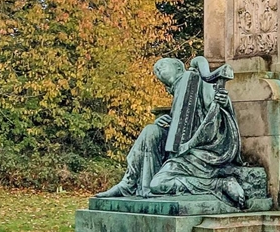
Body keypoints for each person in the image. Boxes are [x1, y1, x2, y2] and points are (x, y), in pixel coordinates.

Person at [96, 57, 249, 207]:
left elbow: (212, 108)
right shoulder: (179, 90)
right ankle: (128, 183)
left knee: (159, 185)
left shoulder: (196, 79)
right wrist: (164, 122)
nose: (158, 70)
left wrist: (223, 101)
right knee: (151, 130)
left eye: (162, 65)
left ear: (178, 68)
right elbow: (182, 126)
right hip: (180, 152)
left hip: (198, 151)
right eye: (156, 70)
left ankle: (220, 184)